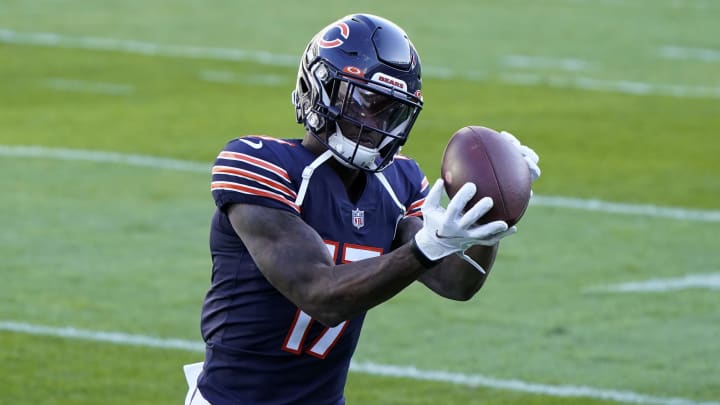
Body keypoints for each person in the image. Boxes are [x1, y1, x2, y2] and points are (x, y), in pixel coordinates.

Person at [183, 13, 540, 405]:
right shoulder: (258, 163)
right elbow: (319, 294)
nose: (376, 123)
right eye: (365, 102)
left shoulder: (400, 180)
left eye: (392, 110)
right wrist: (427, 248)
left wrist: (489, 216)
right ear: (318, 88)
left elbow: (456, 282)